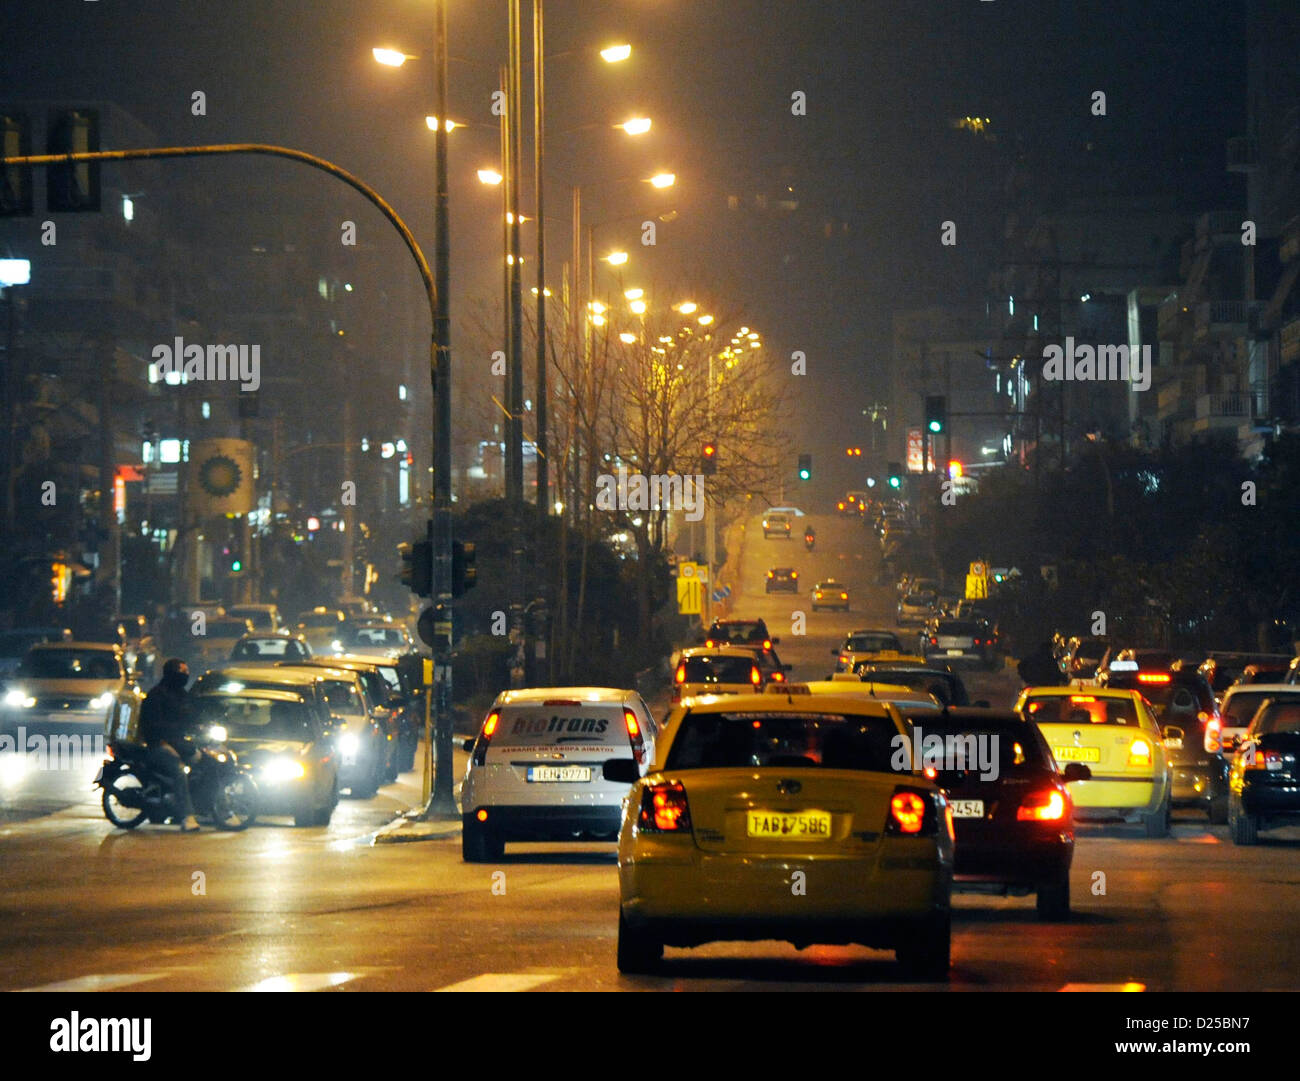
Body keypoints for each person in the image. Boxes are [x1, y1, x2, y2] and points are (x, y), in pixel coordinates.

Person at [137, 658, 200, 832]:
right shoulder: (157, 695)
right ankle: (188, 816)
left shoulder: (182, 694)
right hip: (158, 744)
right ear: (172, 673)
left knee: (202, 760)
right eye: (182, 672)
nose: (185, 675)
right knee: (179, 771)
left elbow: (192, 714)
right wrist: (174, 730)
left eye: (187, 672)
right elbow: (152, 725)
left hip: (178, 742)